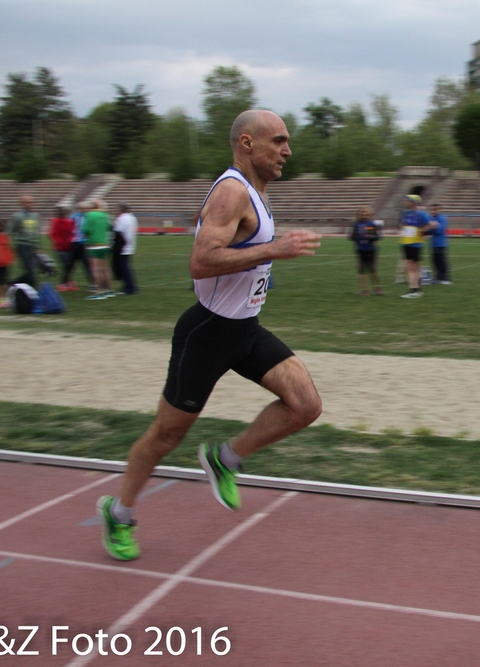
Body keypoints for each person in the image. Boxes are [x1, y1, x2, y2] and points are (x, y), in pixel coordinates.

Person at [95, 109, 323, 561]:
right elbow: (201, 261)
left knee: (306, 405)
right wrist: (274, 249)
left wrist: (265, 258)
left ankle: (226, 458)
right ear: (246, 143)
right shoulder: (232, 192)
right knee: (165, 435)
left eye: (286, 141)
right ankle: (118, 513)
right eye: (278, 140)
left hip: (246, 330)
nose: (287, 151)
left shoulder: (256, 191)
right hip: (207, 333)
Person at [82, 199, 113, 300]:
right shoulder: (105, 215)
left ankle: (98, 291)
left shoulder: (89, 215)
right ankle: (108, 290)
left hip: (95, 244)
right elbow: (109, 228)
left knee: (96, 269)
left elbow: (86, 230)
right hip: (106, 243)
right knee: (106, 269)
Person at [8, 195, 42, 288]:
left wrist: (38, 246)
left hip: (33, 246)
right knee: (31, 271)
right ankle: (33, 292)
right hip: (23, 245)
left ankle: (12, 284)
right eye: (27, 202)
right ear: (21, 204)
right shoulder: (17, 216)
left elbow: (36, 232)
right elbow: (10, 231)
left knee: (32, 271)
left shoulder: (36, 216)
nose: (29, 204)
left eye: (31, 202)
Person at [350, 205, 383, 295]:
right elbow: (351, 237)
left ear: (369, 213)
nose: (363, 213)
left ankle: (377, 288)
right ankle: (364, 290)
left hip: (370, 248)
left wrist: (370, 237)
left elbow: (377, 236)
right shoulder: (356, 224)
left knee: (372, 269)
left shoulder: (370, 224)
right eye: (361, 212)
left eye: (365, 212)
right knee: (361, 270)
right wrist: (357, 237)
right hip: (360, 249)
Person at [399, 194, 427, 298]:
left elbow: (432, 224)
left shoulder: (420, 214)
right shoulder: (404, 213)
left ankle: (414, 290)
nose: (404, 202)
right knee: (410, 267)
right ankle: (415, 289)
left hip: (415, 243)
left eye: (407, 201)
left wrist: (422, 230)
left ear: (413, 202)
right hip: (405, 242)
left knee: (413, 267)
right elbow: (401, 224)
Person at [112, 202, 138, 295]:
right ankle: (132, 286)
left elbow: (117, 232)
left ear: (120, 210)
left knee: (124, 268)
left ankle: (129, 287)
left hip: (122, 246)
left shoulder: (121, 218)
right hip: (130, 245)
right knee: (128, 267)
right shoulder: (132, 217)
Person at [67, 201, 93, 291]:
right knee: (72, 263)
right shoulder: (74, 217)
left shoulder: (89, 217)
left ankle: (92, 282)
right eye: (82, 208)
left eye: (86, 208)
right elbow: (69, 227)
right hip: (76, 242)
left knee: (86, 263)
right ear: (79, 209)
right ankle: (66, 281)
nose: (84, 210)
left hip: (85, 243)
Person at [49, 206, 75, 291]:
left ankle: (67, 281)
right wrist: (60, 242)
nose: (61, 214)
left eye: (63, 212)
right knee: (65, 264)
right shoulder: (55, 222)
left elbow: (72, 232)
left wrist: (69, 240)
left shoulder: (69, 222)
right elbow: (53, 234)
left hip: (68, 246)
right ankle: (64, 282)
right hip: (59, 247)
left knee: (69, 265)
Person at [424, 202, 451, 284]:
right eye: (432, 209)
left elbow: (439, 230)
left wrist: (430, 228)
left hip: (441, 243)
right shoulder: (430, 218)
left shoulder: (442, 218)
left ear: (440, 210)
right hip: (433, 243)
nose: (434, 211)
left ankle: (445, 278)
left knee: (441, 260)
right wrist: (431, 228)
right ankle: (438, 277)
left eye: (436, 209)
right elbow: (427, 231)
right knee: (435, 260)